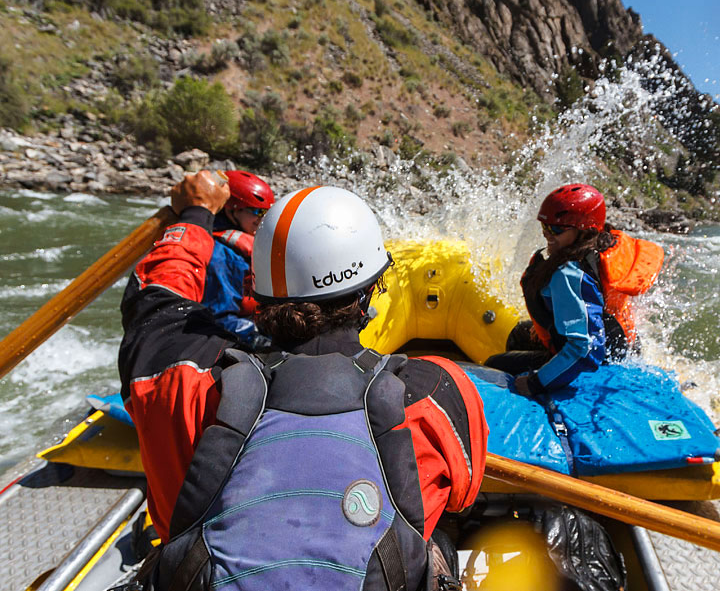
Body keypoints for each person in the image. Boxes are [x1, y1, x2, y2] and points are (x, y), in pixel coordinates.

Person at [118, 172, 487, 590]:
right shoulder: (437, 390)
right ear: (371, 291)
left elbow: (154, 305)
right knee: (440, 536)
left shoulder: (184, 380)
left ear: (258, 288)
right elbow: (462, 496)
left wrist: (194, 216)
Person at [486, 183, 664, 396]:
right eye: (545, 226)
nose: (548, 235)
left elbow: (585, 348)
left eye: (557, 229)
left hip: (600, 359)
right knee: (518, 334)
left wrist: (536, 383)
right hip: (621, 345)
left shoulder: (569, 274)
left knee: (493, 363)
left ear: (584, 229)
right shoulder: (604, 243)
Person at [200, 169, 274, 348]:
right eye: (256, 212)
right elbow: (219, 316)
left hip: (256, 319)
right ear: (231, 210)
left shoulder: (247, 238)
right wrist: (257, 338)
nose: (261, 219)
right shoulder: (222, 256)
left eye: (265, 213)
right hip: (236, 335)